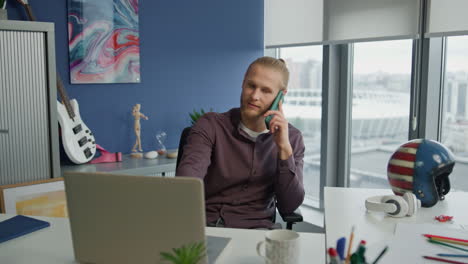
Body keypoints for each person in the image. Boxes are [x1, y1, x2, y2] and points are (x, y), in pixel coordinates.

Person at [176, 57, 305, 229]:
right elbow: (187, 180)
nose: (254, 96)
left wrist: (284, 149)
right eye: (251, 86)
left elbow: (289, 206)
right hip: (206, 226)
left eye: (265, 90)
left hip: (257, 231)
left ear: (281, 96)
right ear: (243, 84)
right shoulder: (211, 125)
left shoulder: (292, 139)